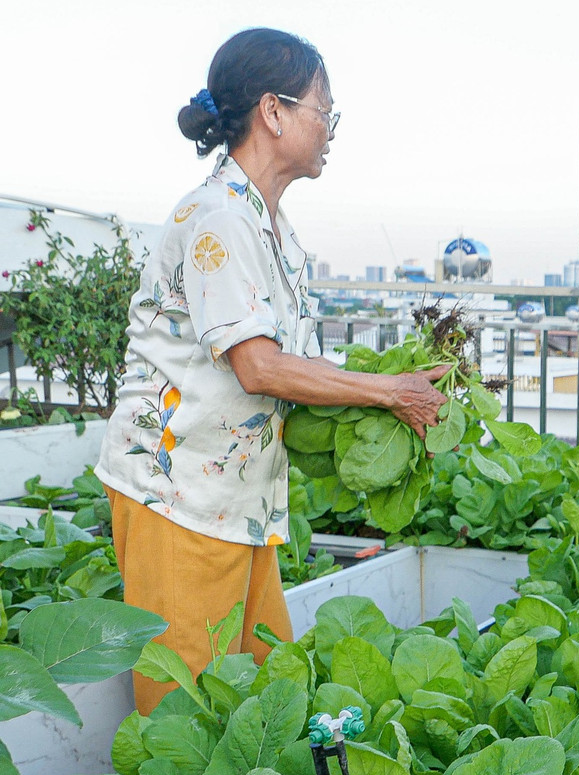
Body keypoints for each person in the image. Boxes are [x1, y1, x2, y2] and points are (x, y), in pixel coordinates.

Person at [96, 28, 448, 714]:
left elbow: (290, 365)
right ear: (274, 111)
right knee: (184, 715)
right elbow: (259, 367)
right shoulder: (218, 218)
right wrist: (387, 393)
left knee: (266, 693)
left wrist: (389, 389)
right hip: (175, 495)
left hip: (237, 501)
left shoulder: (274, 232)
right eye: (325, 110)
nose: (330, 129)